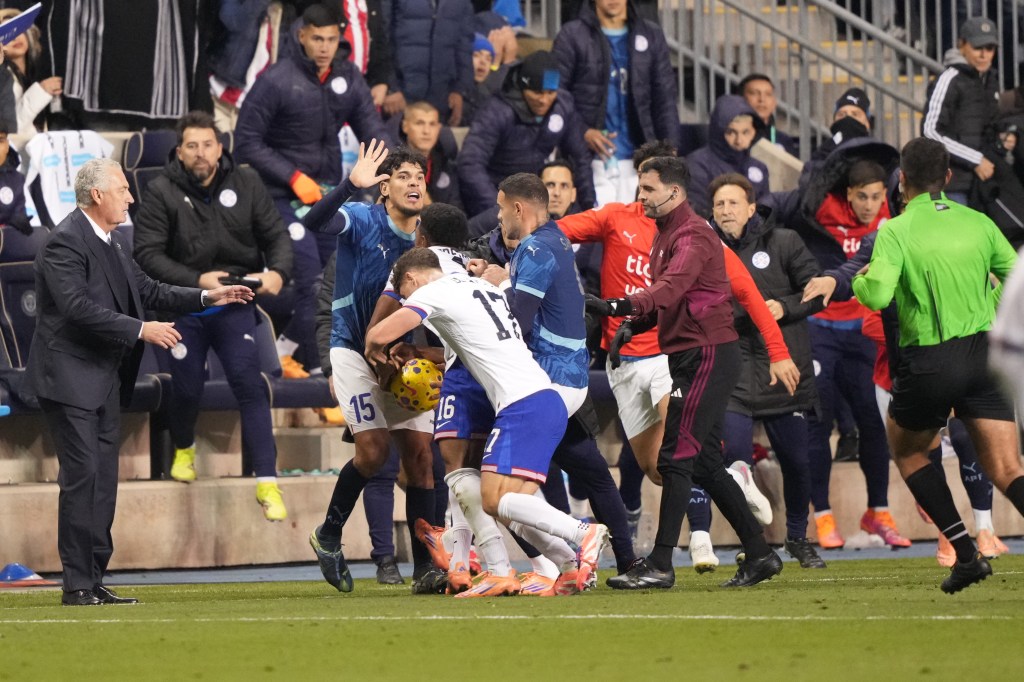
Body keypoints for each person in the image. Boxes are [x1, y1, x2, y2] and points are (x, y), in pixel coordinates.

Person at [559, 140, 798, 573]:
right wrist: (637, 325)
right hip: (683, 353)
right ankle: (761, 554)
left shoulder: (692, 235)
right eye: (640, 187)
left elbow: (670, 290)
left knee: (676, 457)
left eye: (649, 188)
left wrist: (617, 308)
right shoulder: (665, 233)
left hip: (706, 354)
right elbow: (675, 301)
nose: (641, 196)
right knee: (698, 463)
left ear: (674, 191)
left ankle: (662, 562)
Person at [26, 158, 254, 606]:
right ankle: (75, 584)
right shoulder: (64, 243)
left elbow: (149, 291)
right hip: (70, 377)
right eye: (123, 190)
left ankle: (93, 577)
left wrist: (209, 296)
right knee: (83, 476)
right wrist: (140, 330)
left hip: (105, 377)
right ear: (97, 195)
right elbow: (76, 308)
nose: (131, 197)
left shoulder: (113, 242)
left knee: (104, 479)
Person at [366, 247, 610, 597]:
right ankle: (568, 566)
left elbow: (383, 331)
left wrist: (375, 345)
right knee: (506, 502)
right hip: (539, 397)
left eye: (405, 294)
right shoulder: (483, 289)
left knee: (493, 499)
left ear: (411, 280)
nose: (407, 300)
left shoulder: (433, 290)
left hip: (522, 404)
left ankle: (581, 534)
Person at [852, 137, 1023, 593]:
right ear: (948, 177)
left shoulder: (896, 229)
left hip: (931, 357)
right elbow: (1013, 275)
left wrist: (862, 281)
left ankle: (965, 555)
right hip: (985, 353)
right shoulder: (979, 222)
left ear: (901, 180)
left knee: (908, 451)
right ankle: (968, 553)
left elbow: (880, 295)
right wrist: (986, 303)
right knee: (1007, 469)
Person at [472, 173, 632, 588]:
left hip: (546, 384)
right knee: (584, 470)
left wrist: (491, 286)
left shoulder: (536, 248)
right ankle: (610, 566)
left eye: (501, 206)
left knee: (500, 492)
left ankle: (574, 545)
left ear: (518, 209)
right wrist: (503, 279)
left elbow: (517, 322)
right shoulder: (556, 238)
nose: (499, 214)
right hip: (565, 380)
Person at [132, 111, 293, 519]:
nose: (201, 153)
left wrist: (278, 271)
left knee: (249, 383)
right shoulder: (160, 190)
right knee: (187, 389)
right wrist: (196, 280)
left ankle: (268, 482)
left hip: (235, 300)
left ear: (220, 148)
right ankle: (184, 447)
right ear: (179, 152)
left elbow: (276, 236)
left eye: (208, 144)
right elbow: (147, 255)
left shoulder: (247, 181)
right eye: (192, 146)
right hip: (186, 306)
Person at [305, 140, 445, 595]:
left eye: (419, 177)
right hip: (351, 349)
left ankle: (427, 566)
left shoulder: (430, 237)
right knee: (372, 453)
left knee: (423, 460)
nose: (414, 184)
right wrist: (350, 185)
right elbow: (313, 222)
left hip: (401, 355)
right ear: (383, 187)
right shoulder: (363, 218)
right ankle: (329, 535)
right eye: (403, 176)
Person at [766, 144, 910, 550]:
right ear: (848, 194)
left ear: (887, 195)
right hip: (820, 329)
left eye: (877, 197)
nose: (869, 205)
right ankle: (823, 515)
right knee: (820, 421)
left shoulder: (892, 219)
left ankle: (878, 511)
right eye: (862, 196)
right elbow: (775, 203)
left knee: (872, 421)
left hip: (865, 328)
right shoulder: (819, 208)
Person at [235, 3, 390, 377]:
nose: (324, 47)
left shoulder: (348, 76)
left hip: (327, 196)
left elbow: (373, 129)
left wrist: (398, 169)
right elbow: (245, 142)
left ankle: (288, 353)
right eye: (317, 38)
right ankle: (311, 367)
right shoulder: (277, 79)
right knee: (311, 280)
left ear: (340, 38)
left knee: (335, 284)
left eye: (331, 39)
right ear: (302, 35)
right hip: (280, 198)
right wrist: (292, 177)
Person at [699, 172, 826, 569]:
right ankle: (753, 543)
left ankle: (798, 538)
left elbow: (816, 291)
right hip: (733, 371)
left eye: (733, 203)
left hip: (782, 365)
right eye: (719, 205)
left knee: (796, 461)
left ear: (751, 208)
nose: (726, 211)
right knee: (735, 461)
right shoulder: (705, 252)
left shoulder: (784, 241)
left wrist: (784, 307)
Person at [552, 0, 680, 205]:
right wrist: (582, 132)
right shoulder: (571, 35)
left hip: (641, 159)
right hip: (591, 160)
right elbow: (556, 95)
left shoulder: (651, 34)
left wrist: (670, 148)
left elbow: (664, 98)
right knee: (595, 231)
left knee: (640, 234)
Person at [457, 50, 596, 224]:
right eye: (537, 93)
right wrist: (499, 210)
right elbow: (470, 165)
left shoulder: (562, 105)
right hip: (493, 197)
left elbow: (580, 158)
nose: (544, 100)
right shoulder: (496, 111)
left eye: (550, 93)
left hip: (534, 201)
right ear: (523, 87)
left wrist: (590, 208)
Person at [922, 16, 1000, 207]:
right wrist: (975, 160)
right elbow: (930, 131)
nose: (984, 55)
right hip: (951, 186)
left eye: (989, 49)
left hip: (981, 183)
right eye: (977, 47)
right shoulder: (949, 79)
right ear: (961, 45)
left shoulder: (990, 80)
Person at [382, 0, 475, 125]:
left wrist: (460, 91)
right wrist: (390, 86)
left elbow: (464, 45)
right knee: (396, 143)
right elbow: (381, 36)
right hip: (399, 98)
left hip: (442, 100)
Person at [685, 94, 770, 218]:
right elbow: (698, 213)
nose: (739, 140)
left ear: (754, 132)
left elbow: (765, 213)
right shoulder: (696, 164)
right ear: (718, 132)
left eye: (746, 132)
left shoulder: (759, 167)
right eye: (731, 132)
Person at [385, 100, 462, 208]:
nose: (426, 131)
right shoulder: (390, 166)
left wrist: (429, 208)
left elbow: (457, 216)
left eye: (432, 124)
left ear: (439, 128)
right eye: (419, 123)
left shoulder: (447, 165)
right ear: (405, 126)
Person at [0, 7, 63, 137]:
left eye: (18, 30)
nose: (15, 38)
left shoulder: (38, 70)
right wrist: (41, 91)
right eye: (7, 34)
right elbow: (10, 128)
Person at [737, 73, 798, 157]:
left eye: (768, 94)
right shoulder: (733, 137)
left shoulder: (783, 140)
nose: (762, 99)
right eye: (754, 93)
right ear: (741, 99)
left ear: (774, 102)